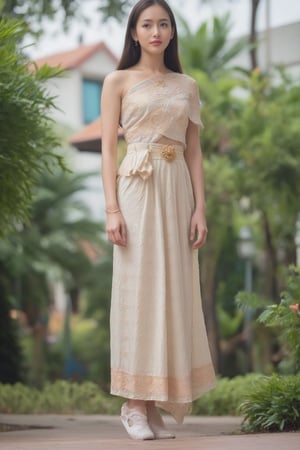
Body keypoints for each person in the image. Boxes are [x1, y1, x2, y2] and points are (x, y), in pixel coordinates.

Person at [101, 0, 216, 441]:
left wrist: (200, 207)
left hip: (177, 189)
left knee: (174, 288)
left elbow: (194, 151)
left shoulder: (187, 84)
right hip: (136, 186)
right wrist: (112, 208)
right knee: (138, 287)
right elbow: (110, 149)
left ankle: (154, 401)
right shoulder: (117, 80)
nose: (155, 31)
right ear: (134, 33)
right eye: (147, 24)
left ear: (171, 32)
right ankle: (133, 403)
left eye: (163, 23)